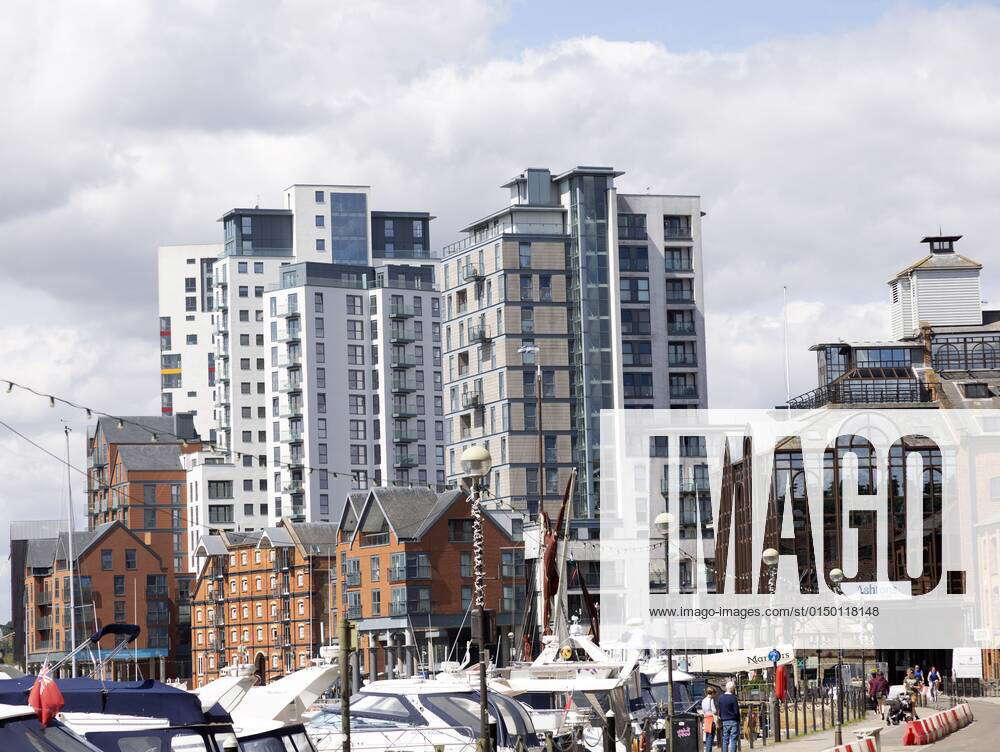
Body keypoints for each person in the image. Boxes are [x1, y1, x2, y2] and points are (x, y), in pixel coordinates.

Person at [718, 680, 741, 752]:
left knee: (725, 739)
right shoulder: (733, 698)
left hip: (724, 720)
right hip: (733, 720)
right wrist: (738, 720)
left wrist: (721, 718)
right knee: (733, 739)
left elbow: (719, 709)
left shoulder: (721, 698)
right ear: (732, 689)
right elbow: (736, 711)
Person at [699, 687, 719, 752]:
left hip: (706, 720)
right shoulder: (711, 700)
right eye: (714, 694)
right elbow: (714, 711)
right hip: (711, 720)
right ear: (712, 693)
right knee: (710, 739)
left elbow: (703, 710)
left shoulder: (703, 700)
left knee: (708, 738)